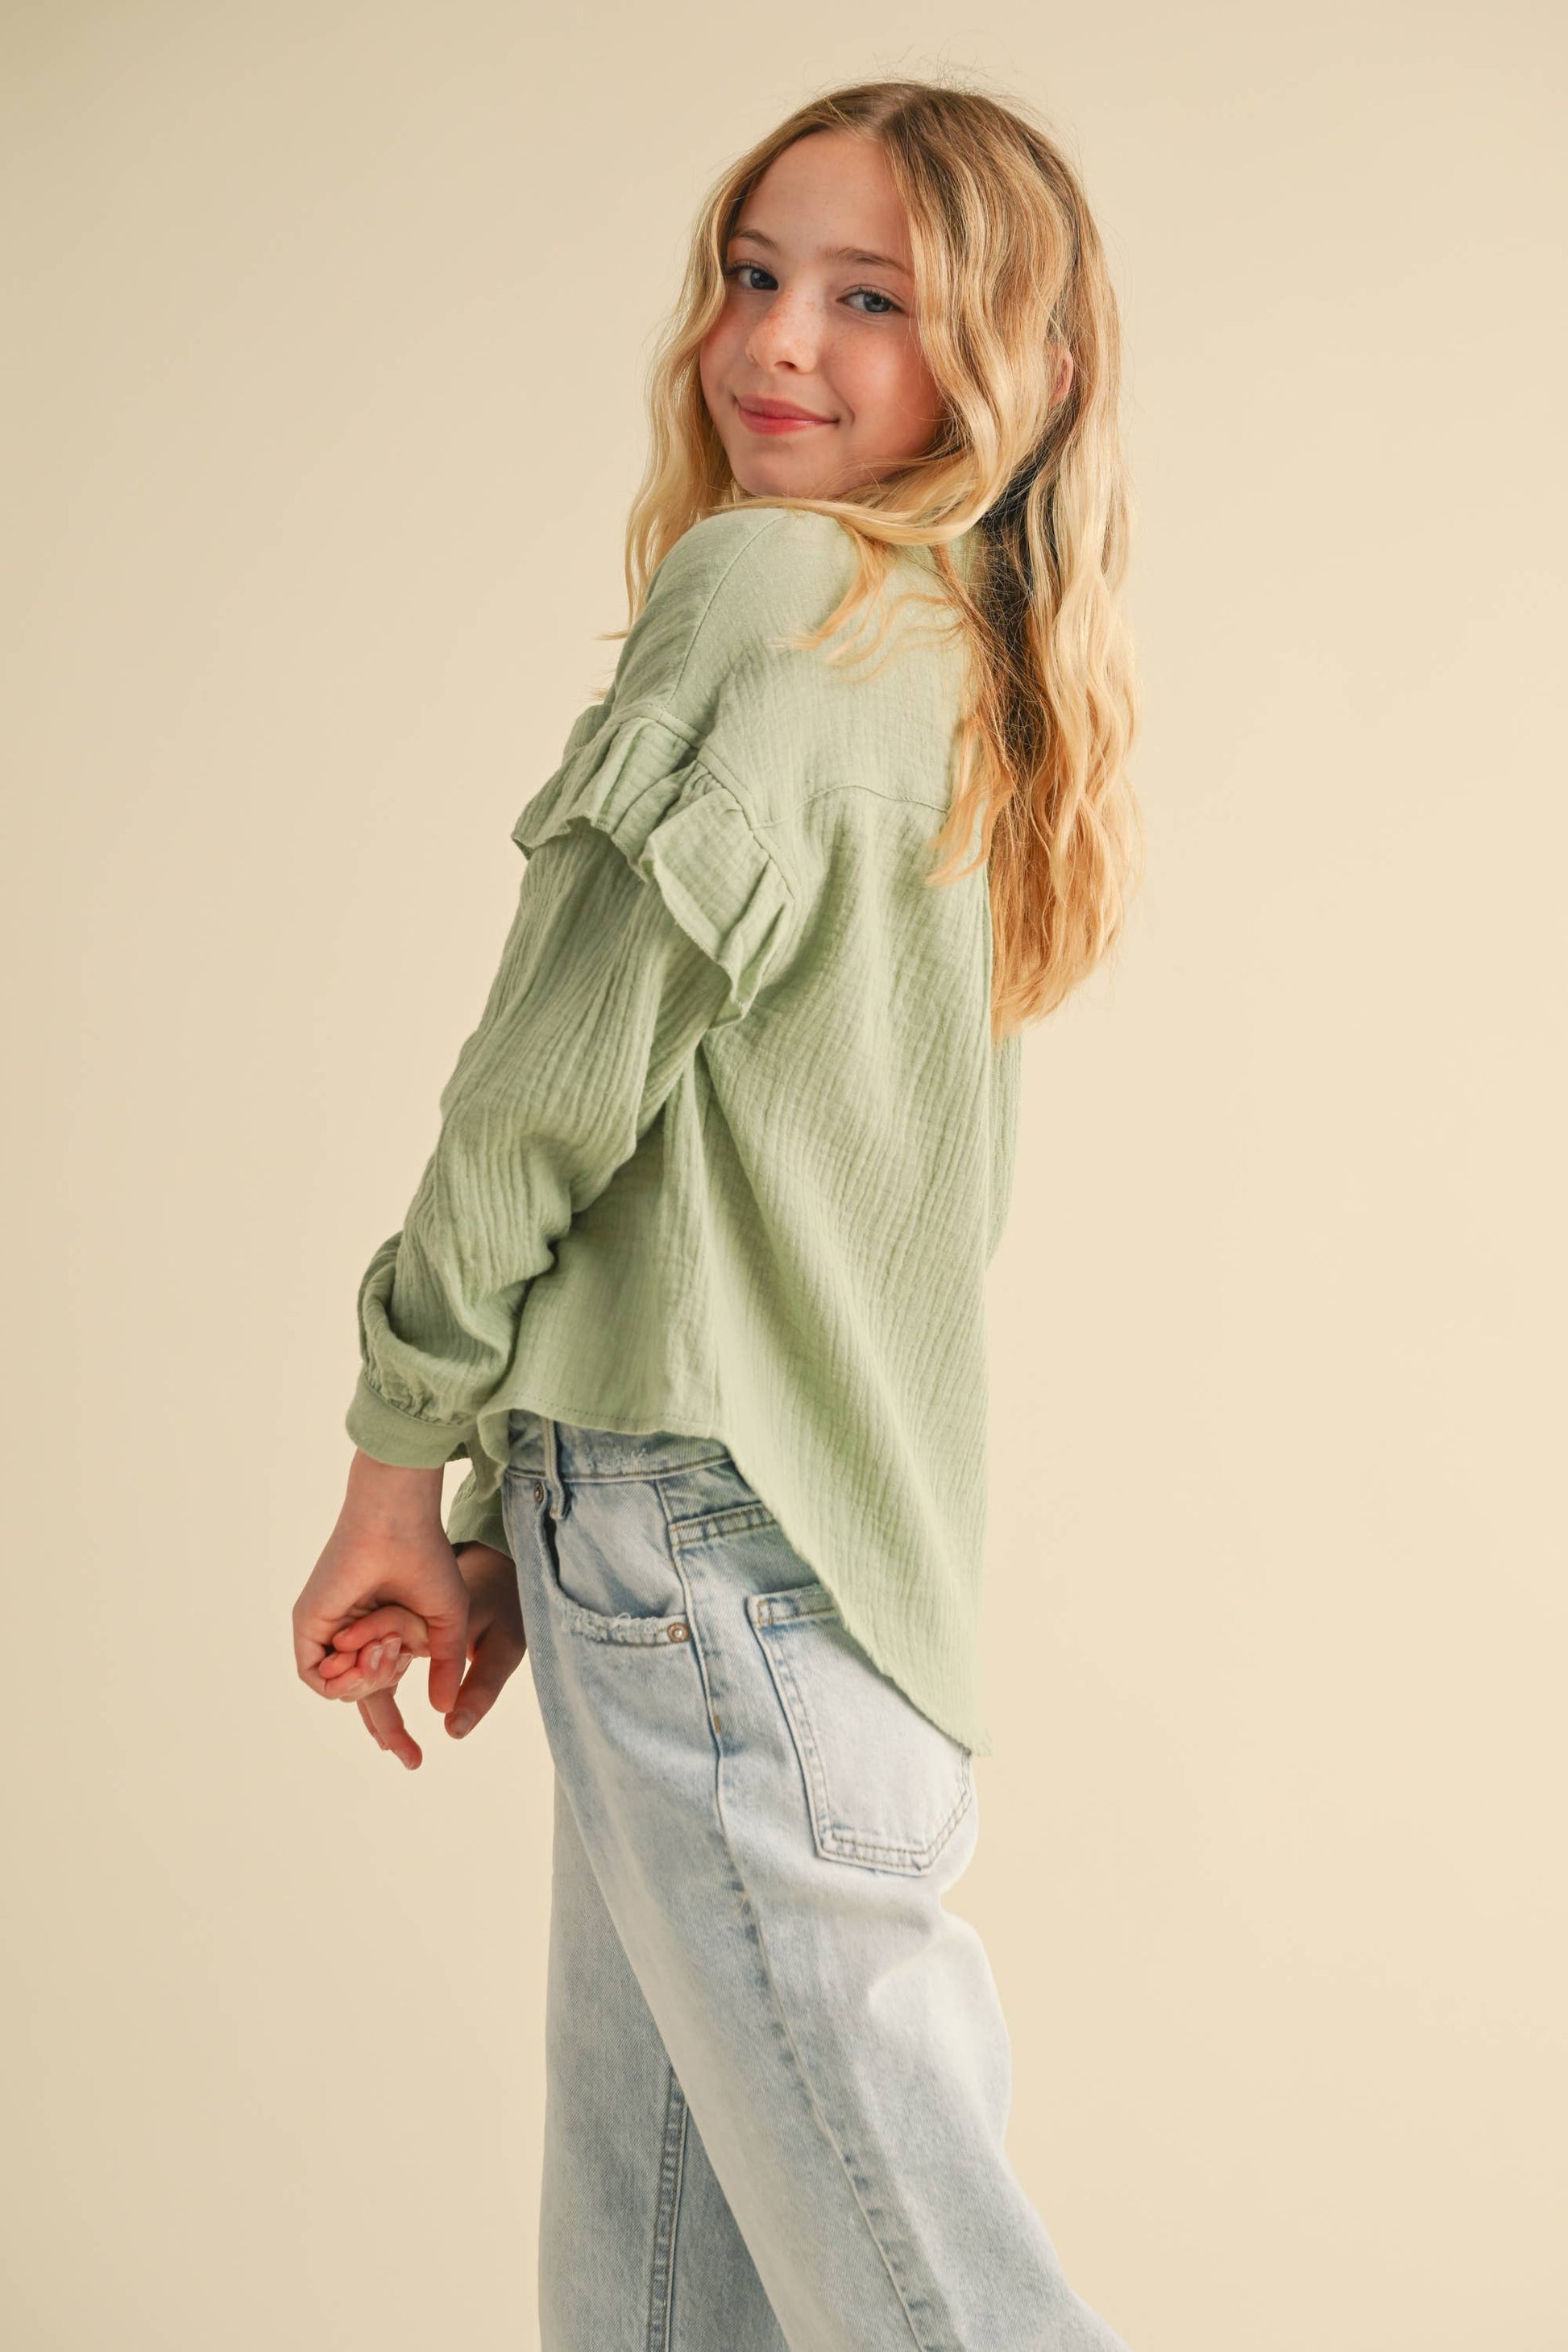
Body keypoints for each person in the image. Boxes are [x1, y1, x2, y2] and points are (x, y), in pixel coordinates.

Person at [291, 74, 1143, 2352]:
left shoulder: (769, 590)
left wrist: (403, 1455)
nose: (777, 342)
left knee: (912, 2302)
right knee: (670, 2304)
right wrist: (515, 1526)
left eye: (869, 299)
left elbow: (547, 1090)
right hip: (793, 1586)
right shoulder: (967, 673)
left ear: (1024, 369)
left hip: (694, 1560)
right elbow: (753, 1199)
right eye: (753, 276)